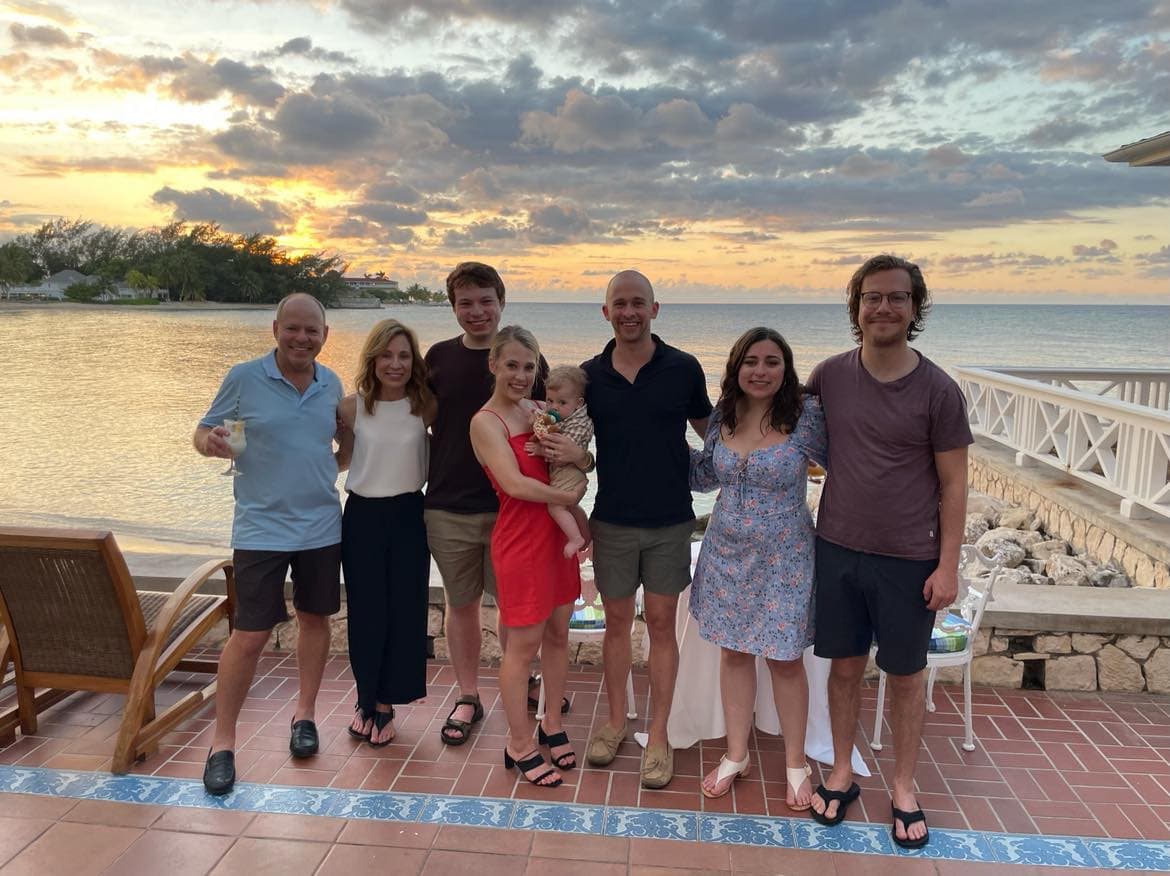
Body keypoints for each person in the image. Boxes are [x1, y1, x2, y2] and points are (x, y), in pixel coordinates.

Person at [806, 255, 972, 849]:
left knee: (905, 676)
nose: (883, 308)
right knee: (844, 668)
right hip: (837, 549)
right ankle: (843, 771)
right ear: (855, 308)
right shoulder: (828, 375)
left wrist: (948, 565)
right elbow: (777, 423)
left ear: (915, 307)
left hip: (909, 558)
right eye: (871, 297)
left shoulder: (939, 390)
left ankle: (903, 785)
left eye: (896, 298)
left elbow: (955, 485)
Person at [193, 292, 343, 796]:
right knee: (250, 635)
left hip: (322, 525)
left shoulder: (332, 383)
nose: (302, 338)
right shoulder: (243, 376)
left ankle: (305, 717)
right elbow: (204, 431)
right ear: (275, 328)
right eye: (293, 328)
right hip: (260, 528)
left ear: (325, 336)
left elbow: (336, 450)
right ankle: (223, 743)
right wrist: (210, 442)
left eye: (312, 331)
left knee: (315, 620)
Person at [582, 269, 711, 789]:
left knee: (660, 625)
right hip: (610, 520)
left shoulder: (683, 368)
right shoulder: (590, 375)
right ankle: (615, 722)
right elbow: (568, 437)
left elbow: (716, 435)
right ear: (606, 311)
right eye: (620, 303)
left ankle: (658, 735)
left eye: (639, 303)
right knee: (615, 626)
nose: (629, 312)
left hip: (670, 522)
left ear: (655, 310)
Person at [687, 327, 825, 806]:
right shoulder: (723, 414)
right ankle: (736, 754)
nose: (760, 370)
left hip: (786, 557)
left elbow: (850, 466)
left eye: (771, 361)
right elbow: (705, 476)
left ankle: (795, 763)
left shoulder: (806, 417)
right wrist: (650, 442)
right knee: (734, 655)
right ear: (735, 367)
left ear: (786, 369)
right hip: (726, 552)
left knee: (785, 660)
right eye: (750, 361)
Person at [424, 262, 554, 746]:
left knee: (516, 608)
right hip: (448, 504)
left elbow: (549, 425)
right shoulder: (436, 357)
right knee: (461, 606)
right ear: (454, 307)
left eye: (485, 301)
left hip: (514, 509)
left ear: (501, 302)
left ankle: (523, 682)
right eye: (465, 303)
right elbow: (408, 414)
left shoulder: (526, 359)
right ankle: (468, 693)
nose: (476, 311)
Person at [468, 326, 585, 787]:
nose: (520, 375)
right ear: (494, 364)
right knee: (522, 648)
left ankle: (551, 723)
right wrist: (570, 502)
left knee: (558, 635)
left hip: (558, 540)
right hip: (521, 540)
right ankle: (518, 743)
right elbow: (514, 485)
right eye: (512, 365)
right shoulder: (486, 422)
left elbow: (575, 457)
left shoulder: (540, 409)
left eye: (529, 366)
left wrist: (585, 463)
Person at [335, 319, 434, 747]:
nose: (395, 364)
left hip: (410, 514)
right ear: (372, 359)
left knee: (405, 612)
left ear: (414, 361)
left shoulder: (427, 405)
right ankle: (366, 699)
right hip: (362, 516)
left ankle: (387, 703)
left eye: (404, 355)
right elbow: (343, 460)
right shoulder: (349, 408)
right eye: (387, 355)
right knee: (366, 611)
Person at [532, 365, 593, 559]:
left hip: (567, 471)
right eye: (550, 400)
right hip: (572, 472)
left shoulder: (579, 422)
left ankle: (575, 538)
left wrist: (539, 449)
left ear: (578, 403)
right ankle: (586, 537)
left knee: (556, 506)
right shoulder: (567, 416)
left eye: (562, 402)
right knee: (572, 507)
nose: (553, 407)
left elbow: (559, 454)